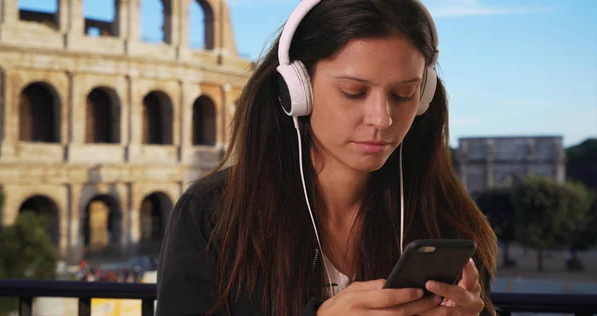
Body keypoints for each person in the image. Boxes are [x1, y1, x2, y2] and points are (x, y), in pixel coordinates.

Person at [155, 0, 497, 315]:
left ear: (424, 97)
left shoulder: (449, 221)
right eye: (354, 92)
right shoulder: (210, 215)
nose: (382, 119)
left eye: (403, 94)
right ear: (296, 90)